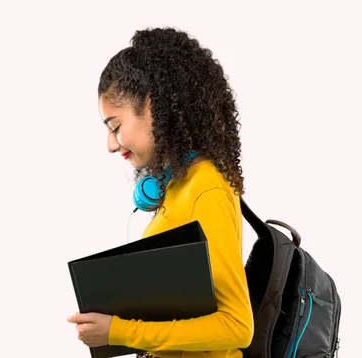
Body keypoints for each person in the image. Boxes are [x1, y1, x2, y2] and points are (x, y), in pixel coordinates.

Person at [67, 27, 254, 358]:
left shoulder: (206, 187)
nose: (111, 145)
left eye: (115, 126)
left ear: (153, 107)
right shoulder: (176, 186)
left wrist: (120, 331)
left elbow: (237, 324)